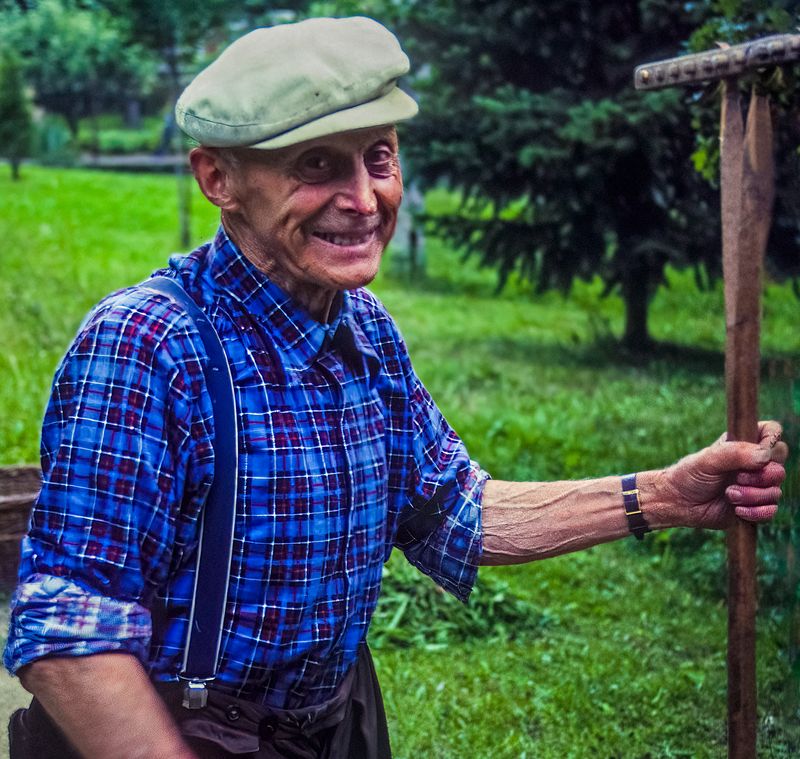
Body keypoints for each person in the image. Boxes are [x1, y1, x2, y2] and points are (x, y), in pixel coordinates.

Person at [3, 16, 787, 759]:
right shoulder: (148, 346)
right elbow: (69, 631)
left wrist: (665, 495)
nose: (364, 198)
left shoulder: (365, 331)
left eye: (377, 156)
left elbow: (458, 511)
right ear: (219, 177)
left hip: (337, 723)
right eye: (317, 165)